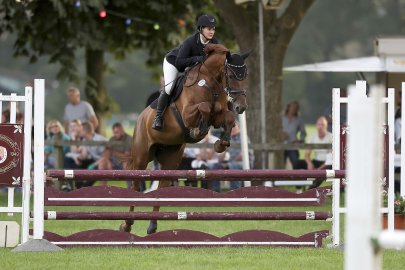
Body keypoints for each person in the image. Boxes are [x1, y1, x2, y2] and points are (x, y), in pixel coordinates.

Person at [152, 14, 219, 131]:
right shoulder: (191, 42)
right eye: (209, 28)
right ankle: (158, 118)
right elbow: (179, 62)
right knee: (169, 88)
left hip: (192, 68)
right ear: (201, 29)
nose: (211, 31)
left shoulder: (214, 42)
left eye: (213, 29)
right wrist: (197, 59)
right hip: (173, 63)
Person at [300, 116, 333, 189]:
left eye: (323, 125)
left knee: (326, 169)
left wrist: (318, 170)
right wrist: (309, 163)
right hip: (316, 161)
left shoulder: (331, 137)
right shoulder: (313, 137)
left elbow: (331, 158)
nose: (320, 126)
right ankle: (298, 187)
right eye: (319, 124)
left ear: (326, 126)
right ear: (316, 125)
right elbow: (306, 155)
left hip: (327, 163)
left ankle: (310, 189)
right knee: (298, 163)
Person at [98, 123, 132, 187]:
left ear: (122, 130)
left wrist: (113, 152)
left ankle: (130, 188)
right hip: (113, 161)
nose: (115, 134)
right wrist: (107, 160)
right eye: (114, 132)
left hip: (125, 162)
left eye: (117, 132)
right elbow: (106, 152)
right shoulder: (112, 139)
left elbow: (126, 156)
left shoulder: (129, 139)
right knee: (102, 163)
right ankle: (102, 188)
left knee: (126, 164)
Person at [282, 100, 306, 169]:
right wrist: (280, 134)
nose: (294, 109)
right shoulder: (282, 118)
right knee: (280, 164)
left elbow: (303, 132)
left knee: (296, 162)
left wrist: (301, 140)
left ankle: (296, 178)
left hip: (292, 145)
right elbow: (275, 129)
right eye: (293, 107)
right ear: (288, 107)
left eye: (296, 108)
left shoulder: (299, 120)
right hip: (280, 145)